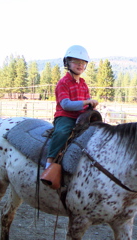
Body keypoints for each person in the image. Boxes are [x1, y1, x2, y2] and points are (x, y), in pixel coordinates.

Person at [40, 45, 98, 188]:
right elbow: (66, 104)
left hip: (81, 117)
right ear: (67, 63)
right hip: (65, 116)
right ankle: (49, 164)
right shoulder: (63, 83)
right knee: (63, 132)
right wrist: (86, 102)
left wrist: (91, 106)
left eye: (83, 63)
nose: (80, 65)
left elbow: (86, 100)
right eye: (76, 62)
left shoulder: (83, 84)